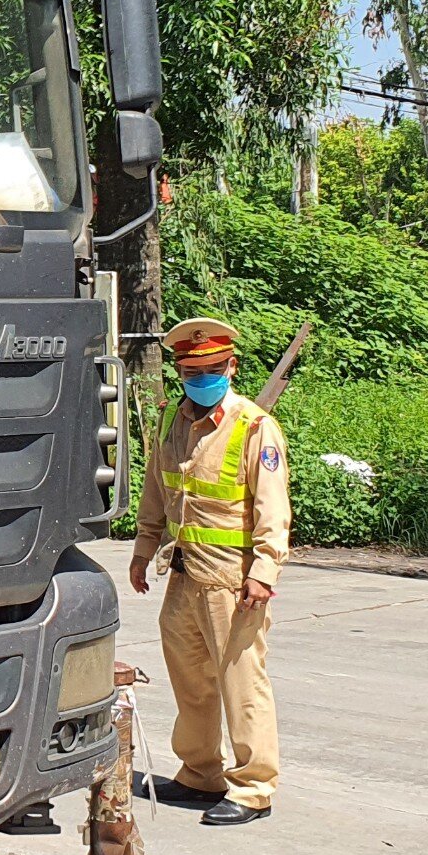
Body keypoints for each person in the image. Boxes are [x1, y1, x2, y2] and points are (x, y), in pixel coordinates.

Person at [127, 316, 289, 826]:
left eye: (213, 369)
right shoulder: (172, 421)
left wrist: (264, 571)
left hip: (233, 580)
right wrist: (143, 547)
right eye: (192, 371)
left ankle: (254, 788)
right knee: (191, 681)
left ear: (231, 367)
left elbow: (272, 510)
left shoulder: (254, 427)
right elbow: (156, 489)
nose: (202, 379)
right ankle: (200, 773)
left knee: (242, 683)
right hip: (183, 574)